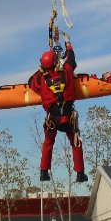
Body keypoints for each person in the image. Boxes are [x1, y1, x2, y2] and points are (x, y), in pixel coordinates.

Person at [28, 32, 88, 183]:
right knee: (76, 143)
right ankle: (80, 174)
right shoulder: (67, 71)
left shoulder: (40, 78)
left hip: (52, 119)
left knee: (48, 142)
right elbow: (71, 59)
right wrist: (68, 43)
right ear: (56, 61)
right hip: (68, 118)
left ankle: (43, 173)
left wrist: (42, 69)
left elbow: (30, 82)